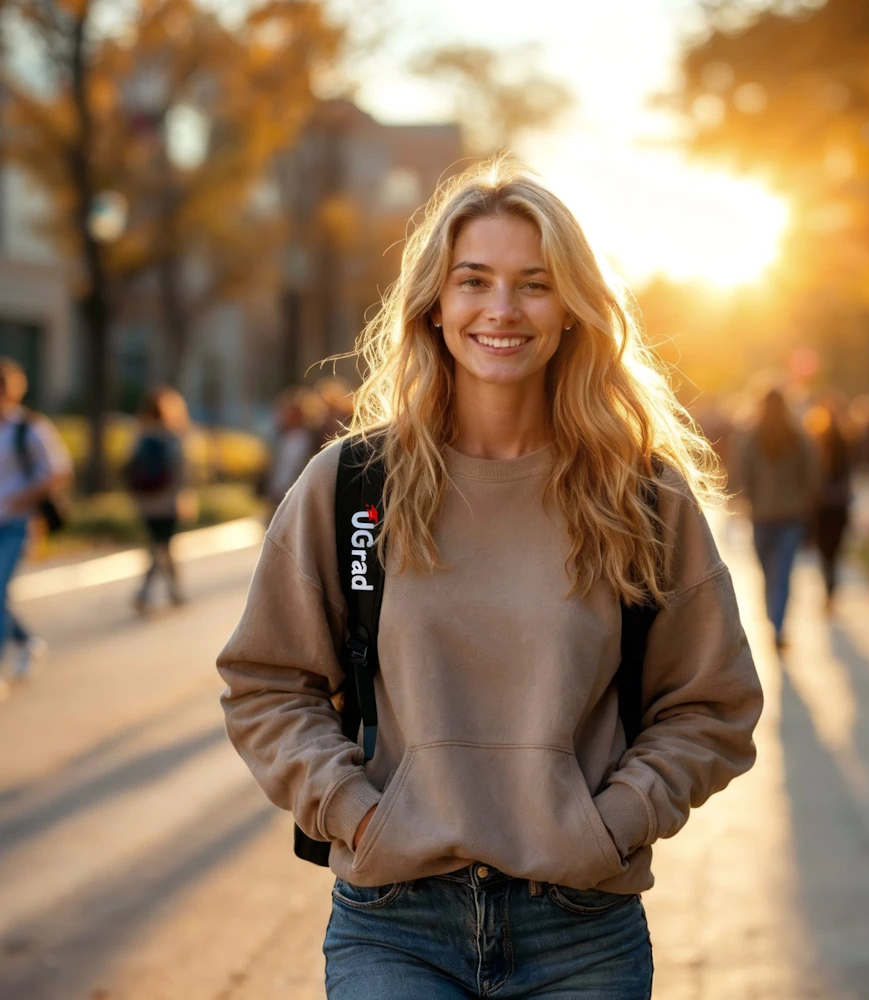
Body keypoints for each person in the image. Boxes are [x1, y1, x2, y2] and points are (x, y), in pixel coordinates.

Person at [217, 159, 765, 1000]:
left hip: (583, 927)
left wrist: (613, 824)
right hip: (394, 923)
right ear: (435, 304)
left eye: (534, 285)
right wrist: (354, 810)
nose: (502, 311)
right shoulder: (353, 486)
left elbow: (713, 705)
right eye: (474, 281)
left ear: (573, 308)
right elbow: (265, 682)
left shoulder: (642, 495)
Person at [0, 358, 72, 691]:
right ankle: (27, 642)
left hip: (18, 523)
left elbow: (59, 470)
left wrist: (24, 496)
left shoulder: (29, 428)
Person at [736, 387, 820, 650]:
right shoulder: (799, 437)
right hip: (790, 517)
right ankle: (777, 624)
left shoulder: (751, 437)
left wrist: (750, 499)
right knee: (782, 573)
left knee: (767, 573)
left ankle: (773, 620)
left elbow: (741, 475)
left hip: (761, 516)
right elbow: (814, 476)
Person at [125, 386, 192, 613]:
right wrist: (185, 497)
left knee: (161, 546)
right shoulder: (172, 435)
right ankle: (150, 593)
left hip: (147, 501)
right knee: (161, 546)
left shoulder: (141, 433)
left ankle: (173, 592)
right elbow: (180, 472)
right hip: (167, 500)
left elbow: (129, 469)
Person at [806, 400, 853, 610]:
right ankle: (831, 586)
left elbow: (810, 475)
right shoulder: (845, 440)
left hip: (822, 504)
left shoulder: (814, 442)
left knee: (824, 549)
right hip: (839, 504)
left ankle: (829, 584)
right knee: (834, 549)